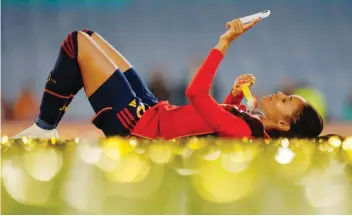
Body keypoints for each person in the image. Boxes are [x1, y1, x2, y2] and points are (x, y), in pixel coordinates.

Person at [14, 17, 323, 140]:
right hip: (152, 112)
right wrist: (234, 97)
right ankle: (45, 127)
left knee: (77, 42)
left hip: (137, 126)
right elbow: (213, 123)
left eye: (285, 101)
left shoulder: (246, 130)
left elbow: (196, 95)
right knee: (91, 37)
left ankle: (43, 129)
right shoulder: (252, 127)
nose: (280, 93)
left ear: (284, 124)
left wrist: (224, 42)